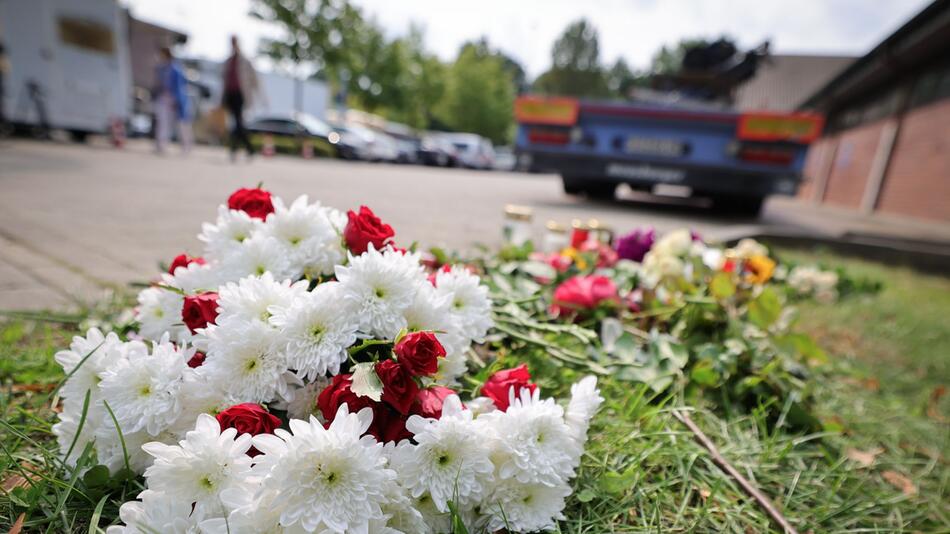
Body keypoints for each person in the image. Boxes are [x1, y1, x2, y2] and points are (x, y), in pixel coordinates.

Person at [221, 36, 261, 161]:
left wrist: (258, 95)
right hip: (230, 94)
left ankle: (237, 149)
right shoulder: (228, 61)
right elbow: (224, 80)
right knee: (237, 123)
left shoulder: (244, 60)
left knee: (238, 122)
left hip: (240, 94)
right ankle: (248, 149)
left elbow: (254, 79)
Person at [153, 46, 192, 154]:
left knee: (182, 124)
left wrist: (177, 100)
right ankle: (161, 144)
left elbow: (180, 86)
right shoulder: (161, 68)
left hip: (175, 99)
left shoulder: (176, 69)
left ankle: (186, 146)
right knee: (163, 121)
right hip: (163, 97)